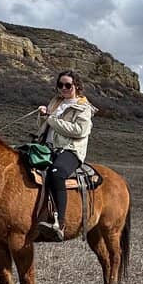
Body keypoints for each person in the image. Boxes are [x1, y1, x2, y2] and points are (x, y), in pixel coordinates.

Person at [35, 69, 96, 241]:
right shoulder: (55, 102)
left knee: (56, 173)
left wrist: (51, 118)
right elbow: (44, 127)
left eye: (68, 85)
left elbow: (80, 130)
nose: (64, 88)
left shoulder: (83, 107)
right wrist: (42, 117)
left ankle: (59, 223)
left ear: (76, 86)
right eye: (60, 85)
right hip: (47, 147)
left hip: (70, 151)